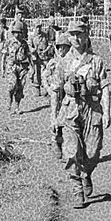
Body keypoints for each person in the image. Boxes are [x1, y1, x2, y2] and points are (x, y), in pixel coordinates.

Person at [50, 20, 111, 209]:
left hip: (92, 109)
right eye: (72, 34)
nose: (76, 38)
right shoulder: (63, 62)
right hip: (70, 110)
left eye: (79, 34)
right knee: (72, 151)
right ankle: (77, 190)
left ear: (86, 36)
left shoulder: (96, 61)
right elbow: (56, 91)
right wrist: (53, 116)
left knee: (93, 152)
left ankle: (86, 174)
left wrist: (107, 112)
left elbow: (105, 87)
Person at [43, 33, 71, 161]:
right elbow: (44, 76)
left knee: (67, 120)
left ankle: (66, 146)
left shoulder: (71, 62)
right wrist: (48, 89)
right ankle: (56, 143)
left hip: (67, 95)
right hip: (56, 94)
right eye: (59, 47)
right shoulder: (53, 62)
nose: (61, 50)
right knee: (55, 118)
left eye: (64, 47)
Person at [6, 19, 31, 115]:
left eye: (19, 32)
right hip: (12, 66)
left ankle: (17, 107)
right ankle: (10, 99)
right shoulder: (9, 42)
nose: (17, 34)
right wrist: (3, 67)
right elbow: (4, 54)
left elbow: (28, 55)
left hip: (22, 67)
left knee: (20, 87)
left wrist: (32, 68)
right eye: (15, 32)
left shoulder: (24, 43)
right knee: (12, 85)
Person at [29, 24, 52, 95]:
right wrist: (33, 50)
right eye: (36, 27)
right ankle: (37, 88)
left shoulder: (45, 35)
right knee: (36, 73)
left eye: (39, 27)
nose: (38, 29)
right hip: (36, 58)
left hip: (44, 57)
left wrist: (45, 50)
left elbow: (49, 44)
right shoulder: (32, 36)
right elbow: (29, 46)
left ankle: (45, 88)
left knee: (45, 72)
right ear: (34, 27)